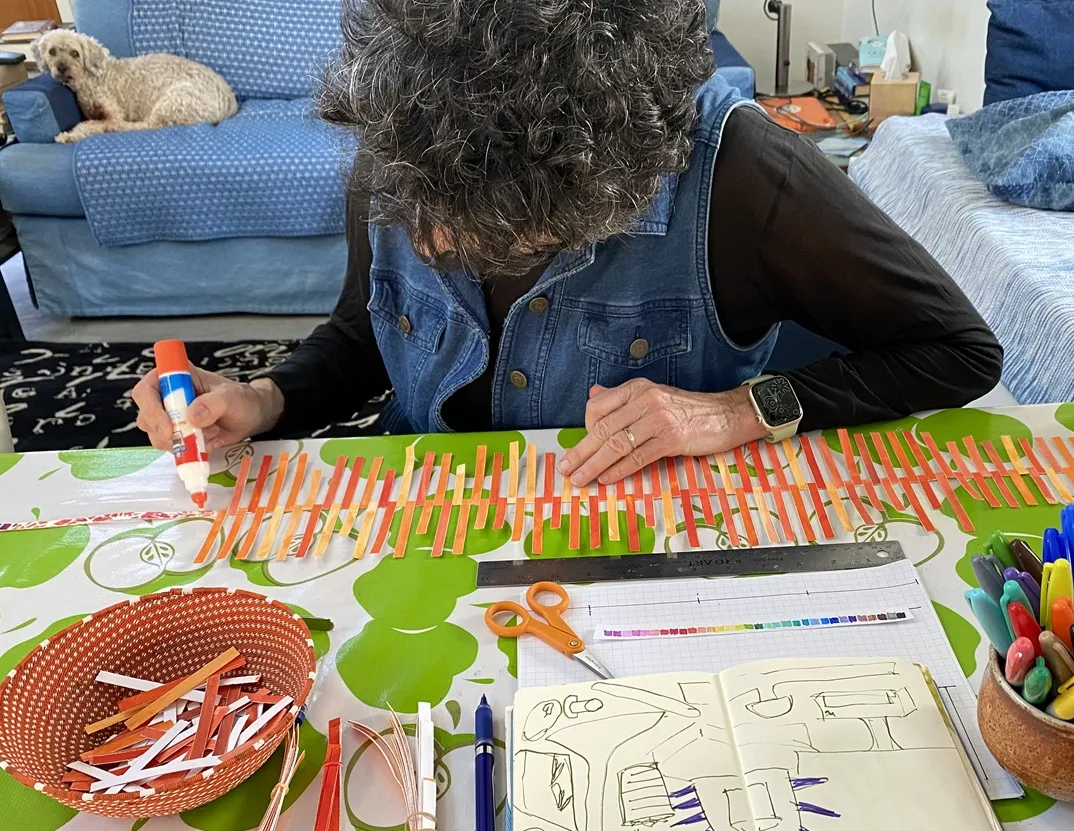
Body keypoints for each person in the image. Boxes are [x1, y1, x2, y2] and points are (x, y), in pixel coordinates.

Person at [133, 0, 1002, 489]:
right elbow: (369, 332)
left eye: (494, 232)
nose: (431, 242)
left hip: (658, 531)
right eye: (424, 208)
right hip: (421, 517)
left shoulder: (739, 171)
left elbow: (957, 352)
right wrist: (263, 400)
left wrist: (737, 413)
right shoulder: (405, 135)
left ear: (609, 180)